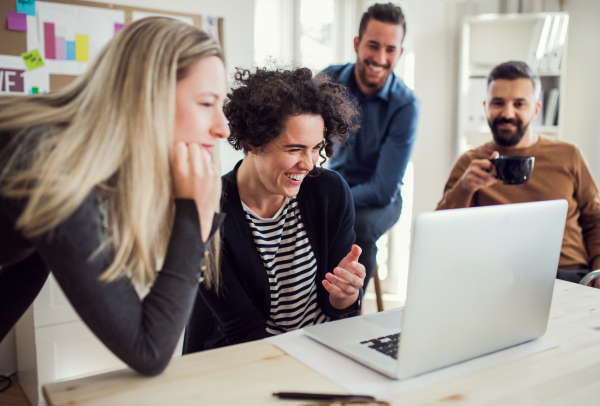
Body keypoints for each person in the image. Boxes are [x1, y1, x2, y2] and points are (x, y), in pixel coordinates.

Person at [0, 17, 229, 375]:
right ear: (145, 98)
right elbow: (149, 350)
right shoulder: (51, 164)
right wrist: (194, 218)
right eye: (205, 103)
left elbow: (26, 266)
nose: (223, 128)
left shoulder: (64, 157)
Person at [184, 67, 365, 351]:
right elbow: (243, 331)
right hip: (251, 358)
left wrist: (346, 294)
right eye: (294, 149)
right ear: (254, 142)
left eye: (316, 147)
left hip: (323, 348)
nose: (309, 163)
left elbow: (340, 313)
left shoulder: (330, 192)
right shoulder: (206, 211)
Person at [437, 61, 600, 288]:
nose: (507, 113)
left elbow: (595, 219)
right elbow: (441, 235)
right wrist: (465, 187)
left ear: (535, 109)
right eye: (498, 103)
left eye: (519, 104)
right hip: (498, 279)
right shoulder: (470, 164)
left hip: (567, 274)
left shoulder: (569, 155)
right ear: (485, 107)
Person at [323, 3, 420, 289]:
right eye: (373, 46)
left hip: (381, 199)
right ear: (357, 44)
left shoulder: (406, 105)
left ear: (399, 53)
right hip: (335, 184)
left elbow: (382, 189)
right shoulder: (328, 80)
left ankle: (349, 310)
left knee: (359, 230)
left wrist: (332, 202)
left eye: (390, 49)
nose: (380, 57)